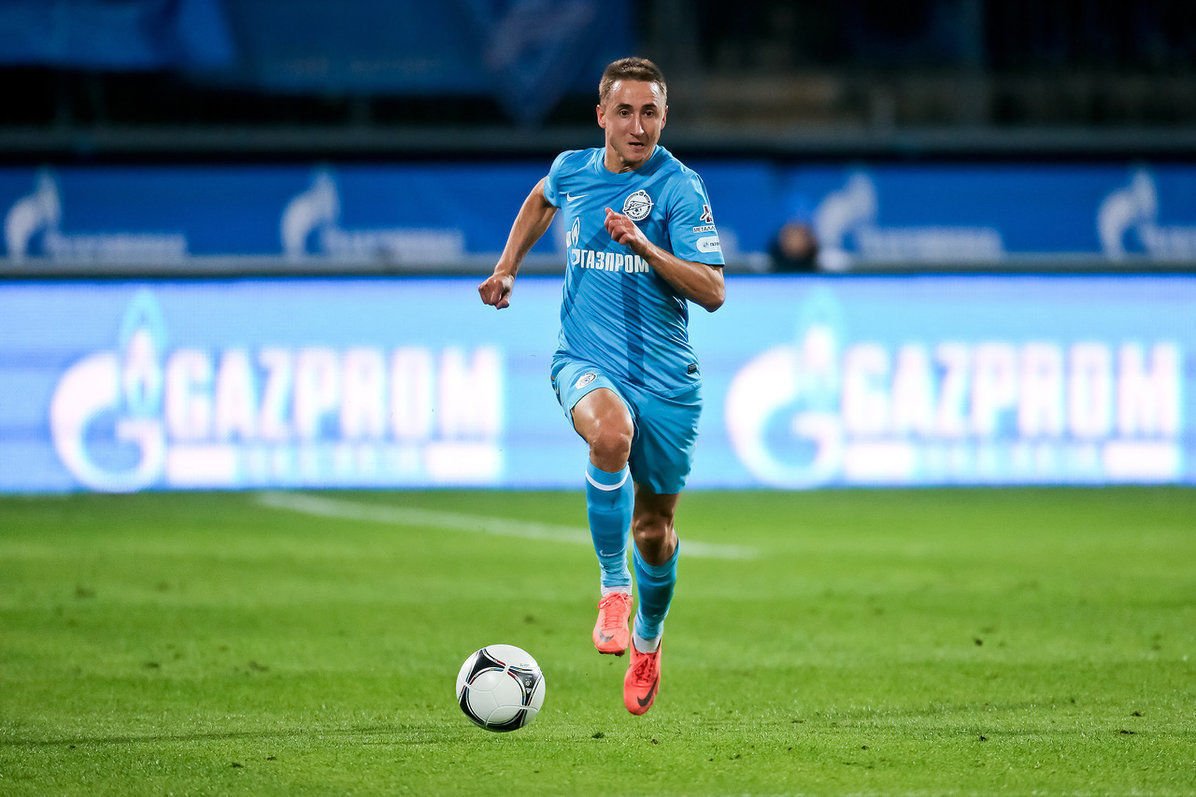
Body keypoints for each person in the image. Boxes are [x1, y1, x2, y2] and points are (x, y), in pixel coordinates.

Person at [478, 57, 725, 716]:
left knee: (655, 531)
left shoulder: (680, 189)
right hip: (584, 359)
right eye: (624, 112)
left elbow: (712, 291)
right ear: (601, 116)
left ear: (664, 118)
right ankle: (614, 588)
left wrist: (645, 246)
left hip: (665, 380)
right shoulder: (574, 170)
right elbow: (541, 198)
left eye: (650, 113)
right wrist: (507, 267)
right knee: (609, 434)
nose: (637, 126)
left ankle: (648, 636)